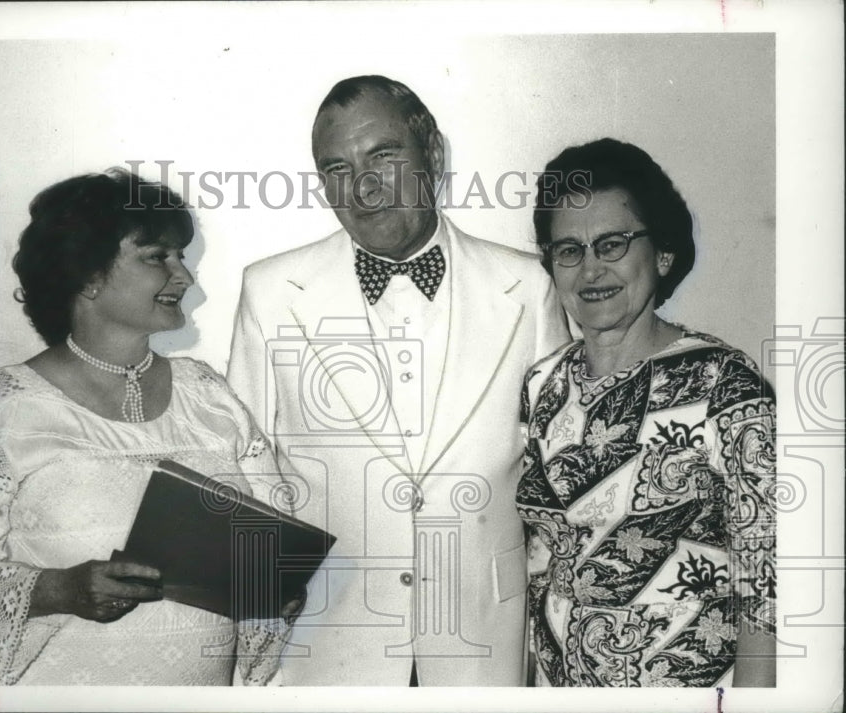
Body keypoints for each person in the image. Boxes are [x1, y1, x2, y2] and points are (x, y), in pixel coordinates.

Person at [226, 75, 570, 686]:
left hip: (482, 645)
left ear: (432, 155)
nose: (361, 187)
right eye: (337, 168)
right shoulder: (269, 291)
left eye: (383, 156)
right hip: (327, 647)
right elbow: (245, 472)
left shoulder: (528, 288)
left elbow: (558, 472)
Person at [0, 169, 292, 686]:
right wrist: (62, 590)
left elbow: (277, 548)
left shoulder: (210, 395)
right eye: (157, 256)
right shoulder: (3, 407)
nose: (185, 278)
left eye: (181, 256)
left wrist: (276, 577)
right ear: (87, 275)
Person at [516, 138, 776, 687]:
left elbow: (766, 587)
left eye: (612, 244)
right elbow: (539, 564)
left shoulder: (725, 384)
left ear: (661, 253)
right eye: (569, 250)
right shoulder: (542, 387)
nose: (591, 270)